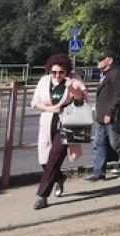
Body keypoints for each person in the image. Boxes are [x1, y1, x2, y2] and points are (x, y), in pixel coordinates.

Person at [30, 53, 88, 209]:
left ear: (67, 71)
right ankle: (59, 177)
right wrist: (50, 108)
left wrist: (72, 88)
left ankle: (42, 196)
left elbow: (81, 100)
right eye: (54, 72)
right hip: (48, 122)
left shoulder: (74, 80)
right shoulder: (44, 81)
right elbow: (34, 102)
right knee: (44, 161)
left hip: (67, 123)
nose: (57, 75)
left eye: (61, 72)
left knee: (55, 158)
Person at [90, 49, 120, 181]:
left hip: (112, 116)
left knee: (116, 142)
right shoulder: (105, 74)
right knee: (99, 143)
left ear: (109, 60)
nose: (98, 62)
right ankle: (98, 171)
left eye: (101, 59)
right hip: (101, 116)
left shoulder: (116, 73)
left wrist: (110, 112)